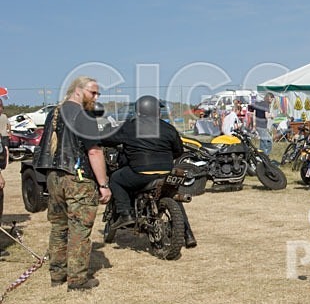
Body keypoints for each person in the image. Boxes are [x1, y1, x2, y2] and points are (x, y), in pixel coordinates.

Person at [33, 76, 111, 291]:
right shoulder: (83, 115)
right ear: (77, 90)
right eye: (92, 93)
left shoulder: (54, 113)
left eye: (97, 94)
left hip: (54, 177)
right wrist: (103, 184)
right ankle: (77, 280)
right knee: (79, 229)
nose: (95, 98)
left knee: (58, 227)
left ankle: (57, 275)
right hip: (77, 179)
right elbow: (94, 150)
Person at [102, 96, 196, 247]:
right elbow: (178, 150)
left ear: (139, 111)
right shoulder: (168, 128)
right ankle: (188, 235)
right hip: (166, 173)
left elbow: (107, 139)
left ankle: (125, 214)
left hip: (140, 174)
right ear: (156, 111)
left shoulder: (130, 127)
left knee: (115, 179)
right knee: (172, 196)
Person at [0, 100, 8, 169]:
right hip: (5, 133)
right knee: (6, 148)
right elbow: (9, 125)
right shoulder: (4, 116)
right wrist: (10, 132)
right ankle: (6, 161)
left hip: (1, 134)